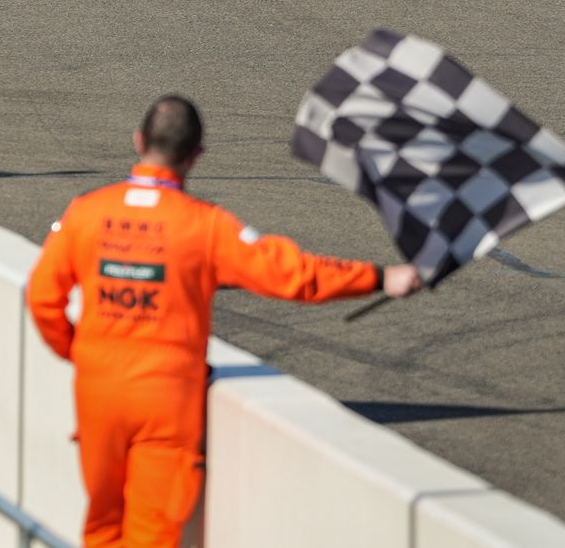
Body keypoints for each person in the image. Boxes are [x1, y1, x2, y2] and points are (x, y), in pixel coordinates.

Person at [28, 95, 423, 548]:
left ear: (138, 141)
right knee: (151, 534)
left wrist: (81, 352)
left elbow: (42, 297)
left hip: (99, 391)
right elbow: (291, 274)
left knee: (101, 526)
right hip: (167, 399)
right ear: (196, 155)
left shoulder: (87, 212)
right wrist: (378, 277)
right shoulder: (207, 226)